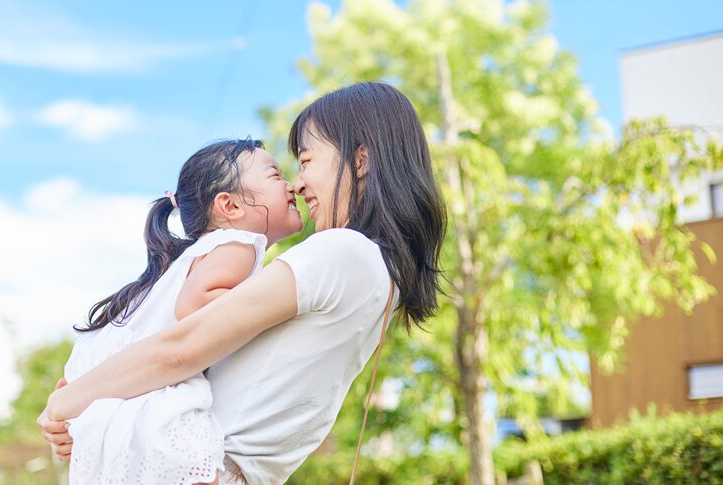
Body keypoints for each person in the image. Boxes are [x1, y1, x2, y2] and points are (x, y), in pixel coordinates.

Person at [40, 82, 448, 485]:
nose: (298, 183)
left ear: (360, 160)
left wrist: (64, 404)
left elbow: (181, 348)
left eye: (306, 161)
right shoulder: (378, 274)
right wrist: (95, 414)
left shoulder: (344, 251)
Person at [58, 138, 303, 484]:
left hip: (111, 382)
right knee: (193, 456)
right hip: (152, 386)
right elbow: (194, 303)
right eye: (275, 175)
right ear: (229, 205)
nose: (291, 185)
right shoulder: (241, 243)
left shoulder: (199, 253)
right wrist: (269, 313)